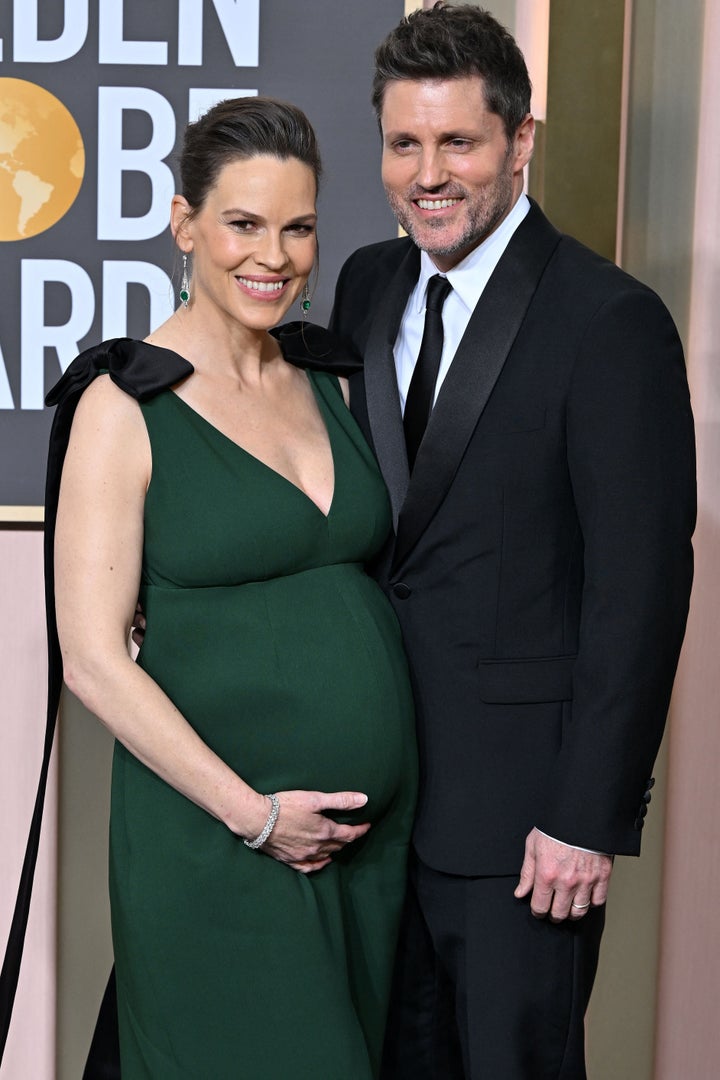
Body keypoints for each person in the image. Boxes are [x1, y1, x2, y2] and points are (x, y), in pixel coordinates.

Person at [328, 4, 696, 1078]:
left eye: (458, 143)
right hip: (374, 808)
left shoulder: (608, 320)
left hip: (526, 832)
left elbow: (641, 589)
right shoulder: (363, 285)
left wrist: (589, 814)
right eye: (404, 143)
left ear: (520, 140)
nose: (426, 174)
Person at [24, 97, 417, 1079]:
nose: (274, 256)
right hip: (221, 841)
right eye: (243, 223)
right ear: (184, 222)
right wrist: (256, 815)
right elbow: (94, 661)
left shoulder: (329, 376)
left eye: (298, 227)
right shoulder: (125, 405)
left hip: (367, 847)